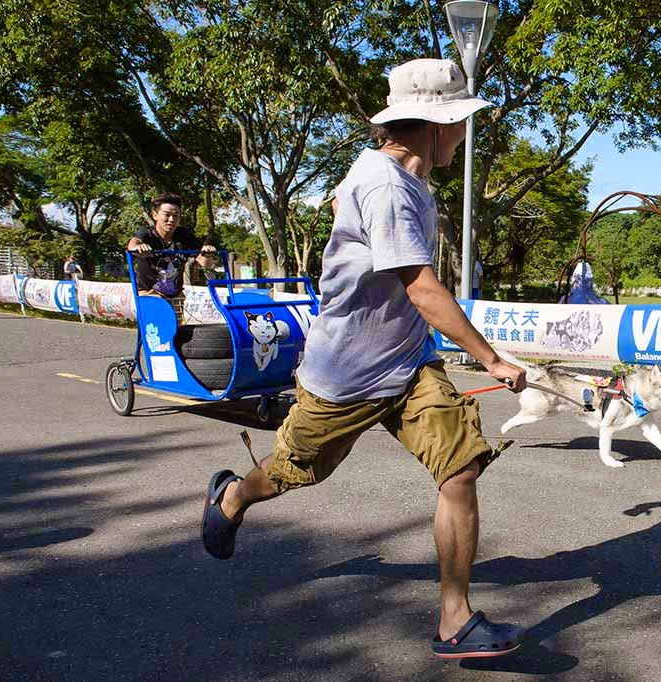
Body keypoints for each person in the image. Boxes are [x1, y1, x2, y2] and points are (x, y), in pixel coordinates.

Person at [199, 58, 529, 660]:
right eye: (458, 123)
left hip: (406, 364)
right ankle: (232, 498)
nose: (463, 133)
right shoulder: (385, 186)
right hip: (344, 373)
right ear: (431, 124)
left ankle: (455, 620)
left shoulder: (405, 181)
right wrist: (491, 358)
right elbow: (422, 287)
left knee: (460, 470)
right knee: (293, 471)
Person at [125, 193, 216, 309]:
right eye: (166, 215)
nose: (171, 220)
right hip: (149, 293)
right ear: (155, 215)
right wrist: (139, 247)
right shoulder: (146, 234)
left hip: (175, 295)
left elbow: (204, 263)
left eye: (176, 216)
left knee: (177, 327)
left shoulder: (184, 235)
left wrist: (207, 254)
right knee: (158, 323)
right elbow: (133, 243)